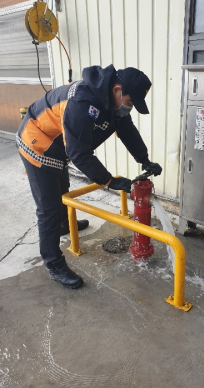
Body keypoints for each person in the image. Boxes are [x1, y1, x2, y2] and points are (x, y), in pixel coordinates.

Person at [16, 64, 162, 289]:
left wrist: (144, 159)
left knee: (63, 191)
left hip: (59, 146)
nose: (129, 109)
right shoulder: (82, 102)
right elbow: (79, 153)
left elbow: (127, 130)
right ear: (117, 89)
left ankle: (64, 225)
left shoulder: (111, 103)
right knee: (49, 208)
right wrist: (110, 181)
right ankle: (53, 262)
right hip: (36, 143)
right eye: (130, 103)